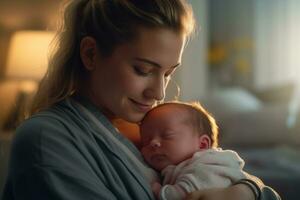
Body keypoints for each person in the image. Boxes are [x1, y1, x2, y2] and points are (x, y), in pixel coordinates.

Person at [2, 0, 281, 200]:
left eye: (169, 73)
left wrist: (245, 190)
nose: (158, 93)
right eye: (143, 70)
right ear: (90, 54)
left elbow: (224, 168)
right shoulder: (46, 140)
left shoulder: (156, 125)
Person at [140, 101, 249, 200]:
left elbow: (188, 194)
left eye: (167, 136)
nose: (153, 143)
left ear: (202, 144)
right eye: (146, 140)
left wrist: (158, 190)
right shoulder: (181, 165)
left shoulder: (208, 165)